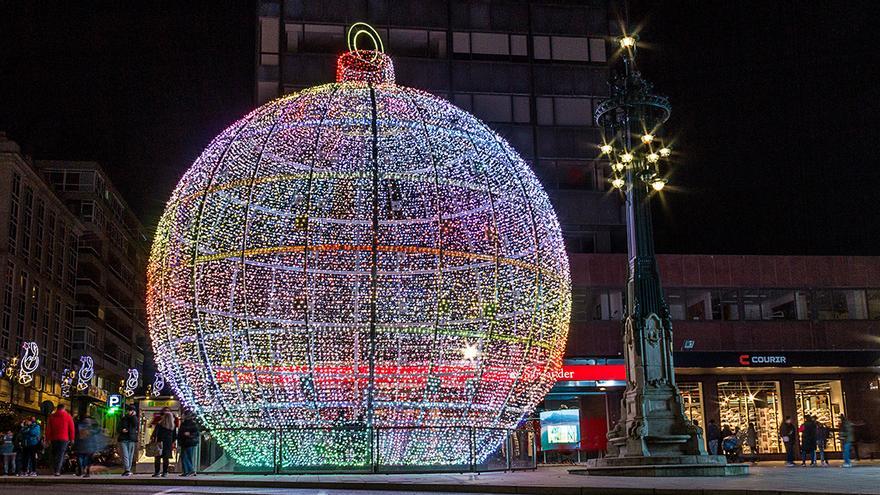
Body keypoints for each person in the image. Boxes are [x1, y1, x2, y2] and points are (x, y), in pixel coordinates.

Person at [46, 403, 75, 476]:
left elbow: (48, 429)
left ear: (57, 408)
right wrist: (72, 439)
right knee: (61, 454)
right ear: (64, 408)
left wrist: (47, 439)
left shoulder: (51, 417)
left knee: (54, 454)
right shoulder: (68, 416)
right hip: (64, 438)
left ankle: (54, 469)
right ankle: (57, 471)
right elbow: (71, 429)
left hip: (54, 438)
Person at [151, 408, 177, 477]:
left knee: (157, 457)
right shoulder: (172, 426)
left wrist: (153, 439)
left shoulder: (160, 424)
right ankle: (165, 472)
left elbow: (155, 433)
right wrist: (172, 442)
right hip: (168, 443)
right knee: (166, 458)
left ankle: (157, 472)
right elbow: (174, 436)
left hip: (160, 442)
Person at [118, 406, 139, 476]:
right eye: (129, 410)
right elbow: (119, 427)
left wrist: (133, 416)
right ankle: (127, 469)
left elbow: (135, 424)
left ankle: (128, 470)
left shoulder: (134, 418)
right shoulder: (124, 418)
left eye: (131, 410)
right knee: (125, 454)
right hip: (123, 438)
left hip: (131, 438)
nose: (129, 412)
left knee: (130, 455)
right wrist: (122, 430)